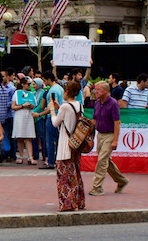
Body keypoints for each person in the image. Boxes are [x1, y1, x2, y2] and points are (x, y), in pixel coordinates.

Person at [50, 80, 86, 211]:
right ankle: (78, 201)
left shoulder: (66, 107)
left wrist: (52, 110)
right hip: (76, 144)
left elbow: (55, 123)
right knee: (75, 173)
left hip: (65, 145)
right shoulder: (79, 105)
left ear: (67, 92)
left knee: (64, 176)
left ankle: (68, 203)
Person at [89, 82, 130, 194]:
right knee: (106, 160)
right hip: (100, 134)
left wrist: (115, 140)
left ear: (106, 91)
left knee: (102, 160)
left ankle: (97, 187)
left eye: (98, 90)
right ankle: (122, 180)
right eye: (95, 89)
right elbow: (94, 120)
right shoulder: (97, 103)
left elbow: (117, 122)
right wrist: (90, 136)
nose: (95, 92)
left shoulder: (113, 103)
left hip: (110, 134)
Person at [11, 77, 37, 165]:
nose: (30, 86)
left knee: (29, 136)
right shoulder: (17, 93)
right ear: (23, 84)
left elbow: (34, 105)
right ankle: (21, 156)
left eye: (30, 84)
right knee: (20, 137)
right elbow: (13, 107)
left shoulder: (31, 94)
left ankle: (30, 157)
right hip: (20, 115)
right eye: (28, 84)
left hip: (28, 115)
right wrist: (22, 105)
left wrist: (31, 106)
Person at [39, 72, 63, 169]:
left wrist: (40, 114)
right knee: (57, 140)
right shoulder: (59, 88)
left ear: (49, 79)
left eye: (44, 80)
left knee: (50, 140)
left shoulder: (53, 91)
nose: (44, 83)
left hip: (53, 116)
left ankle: (51, 162)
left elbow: (52, 106)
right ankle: (56, 161)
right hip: (59, 116)